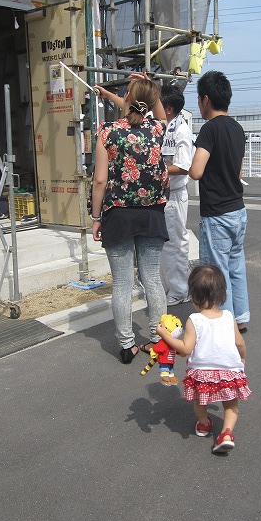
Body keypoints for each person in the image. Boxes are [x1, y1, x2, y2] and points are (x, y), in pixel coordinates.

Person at [91, 74, 169, 364]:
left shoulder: (107, 132)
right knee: (152, 279)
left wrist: (95, 217)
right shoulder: (157, 129)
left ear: (126, 98)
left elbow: (100, 181)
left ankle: (126, 345)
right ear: (150, 101)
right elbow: (159, 113)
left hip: (118, 215)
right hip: (152, 214)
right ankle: (159, 341)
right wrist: (150, 87)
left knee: (122, 283)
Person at [157, 264, 251, 454]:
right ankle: (226, 433)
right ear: (222, 294)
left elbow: (186, 348)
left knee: (200, 402)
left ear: (194, 296)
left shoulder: (194, 320)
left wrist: (165, 335)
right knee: (231, 404)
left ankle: (203, 424)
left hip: (202, 373)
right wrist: (242, 358)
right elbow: (239, 343)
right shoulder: (228, 317)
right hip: (229, 371)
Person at [189, 70, 250, 334]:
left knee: (216, 272)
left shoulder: (209, 129)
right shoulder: (237, 128)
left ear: (205, 99)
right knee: (236, 267)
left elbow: (196, 171)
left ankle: (225, 326)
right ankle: (240, 318)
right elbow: (238, 171)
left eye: (198, 99)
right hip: (238, 210)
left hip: (216, 214)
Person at [160, 84, 194, 305]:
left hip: (174, 194)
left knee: (175, 243)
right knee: (166, 244)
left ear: (169, 108)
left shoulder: (180, 130)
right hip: (164, 194)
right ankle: (170, 287)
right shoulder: (164, 126)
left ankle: (179, 290)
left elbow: (183, 166)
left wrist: (155, 169)